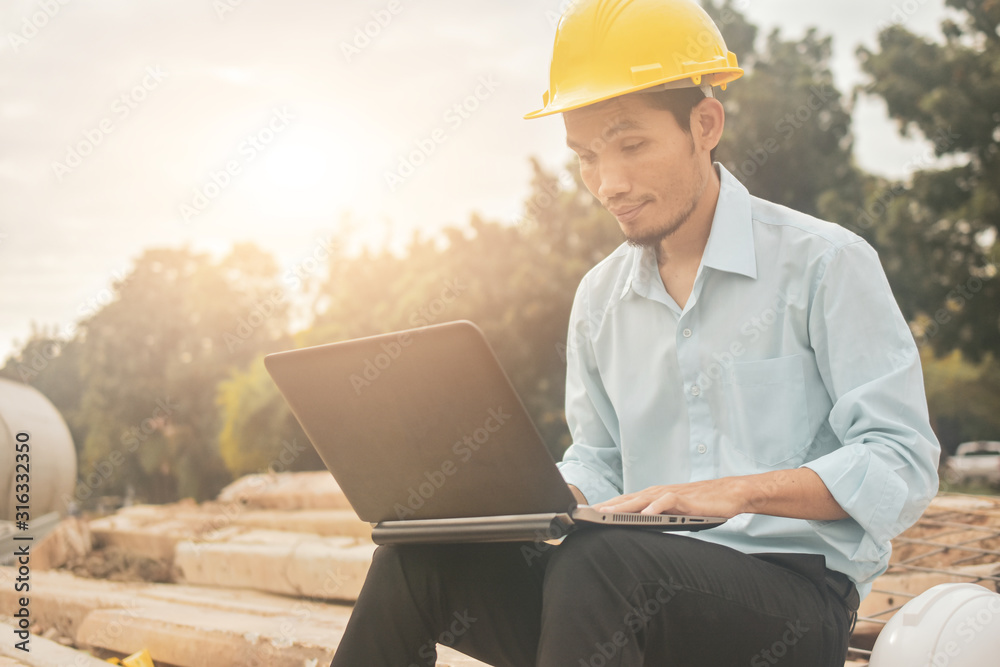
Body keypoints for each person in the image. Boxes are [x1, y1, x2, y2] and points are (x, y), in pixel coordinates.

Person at [330, 1, 940, 665]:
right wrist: (540, 493)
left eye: (631, 145)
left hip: (789, 602)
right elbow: (601, 455)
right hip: (617, 595)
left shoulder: (824, 262)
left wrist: (738, 489)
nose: (607, 184)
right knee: (418, 559)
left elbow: (900, 460)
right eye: (586, 157)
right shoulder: (599, 299)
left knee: (602, 561)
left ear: (705, 124)